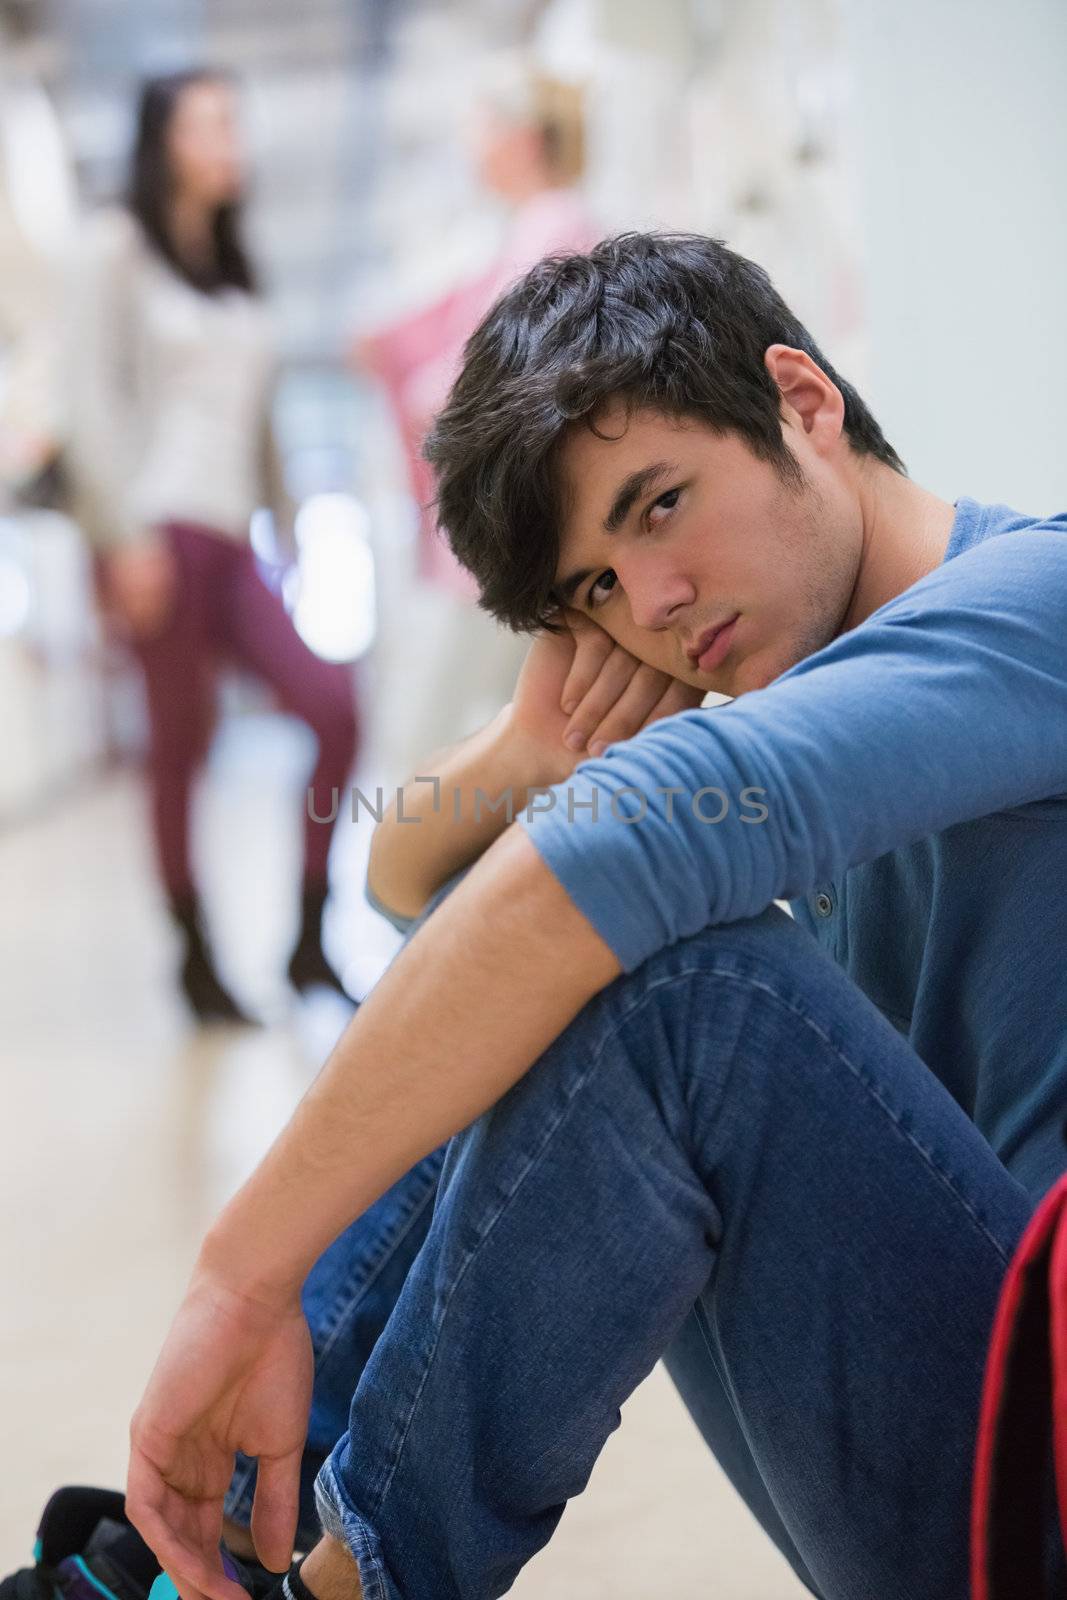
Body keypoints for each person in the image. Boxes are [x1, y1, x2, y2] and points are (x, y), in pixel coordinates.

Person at [13, 231, 1067, 1599]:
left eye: (658, 503)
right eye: (595, 592)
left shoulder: (1026, 606)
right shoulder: (779, 707)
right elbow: (410, 887)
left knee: (682, 991)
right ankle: (200, 1570)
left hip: (1032, 1466)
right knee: (535, 974)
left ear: (802, 402)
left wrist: (237, 1275)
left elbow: (593, 869)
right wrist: (530, 751)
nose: (656, 604)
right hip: (975, 1449)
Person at [64, 69, 358, 1021]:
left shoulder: (236, 270)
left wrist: (289, 524)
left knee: (332, 706)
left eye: (237, 120)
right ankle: (195, 959)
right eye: (212, 122)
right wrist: (120, 538)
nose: (232, 138)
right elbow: (89, 400)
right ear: (165, 140)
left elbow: (259, 421)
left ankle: (309, 941)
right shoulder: (116, 248)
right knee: (179, 747)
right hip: (156, 529)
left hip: (234, 541)